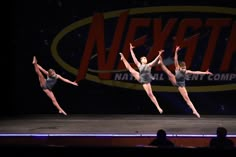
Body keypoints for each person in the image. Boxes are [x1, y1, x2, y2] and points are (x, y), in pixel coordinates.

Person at [158, 46, 213, 118]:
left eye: (185, 68)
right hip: (175, 81)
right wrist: (176, 51)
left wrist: (205, 73)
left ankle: (194, 111)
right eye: (183, 68)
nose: (184, 69)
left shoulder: (186, 71)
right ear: (180, 67)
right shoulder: (177, 68)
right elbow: (175, 59)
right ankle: (160, 60)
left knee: (187, 98)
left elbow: (196, 72)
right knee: (169, 73)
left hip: (180, 85)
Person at [119, 43, 163, 114]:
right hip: (140, 78)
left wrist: (159, 55)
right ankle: (123, 58)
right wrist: (131, 50)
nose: (145, 59)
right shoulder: (139, 65)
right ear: (141, 60)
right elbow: (134, 58)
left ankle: (158, 107)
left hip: (146, 81)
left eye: (146, 58)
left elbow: (154, 61)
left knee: (150, 94)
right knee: (130, 69)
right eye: (144, 58)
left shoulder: (149, 65)